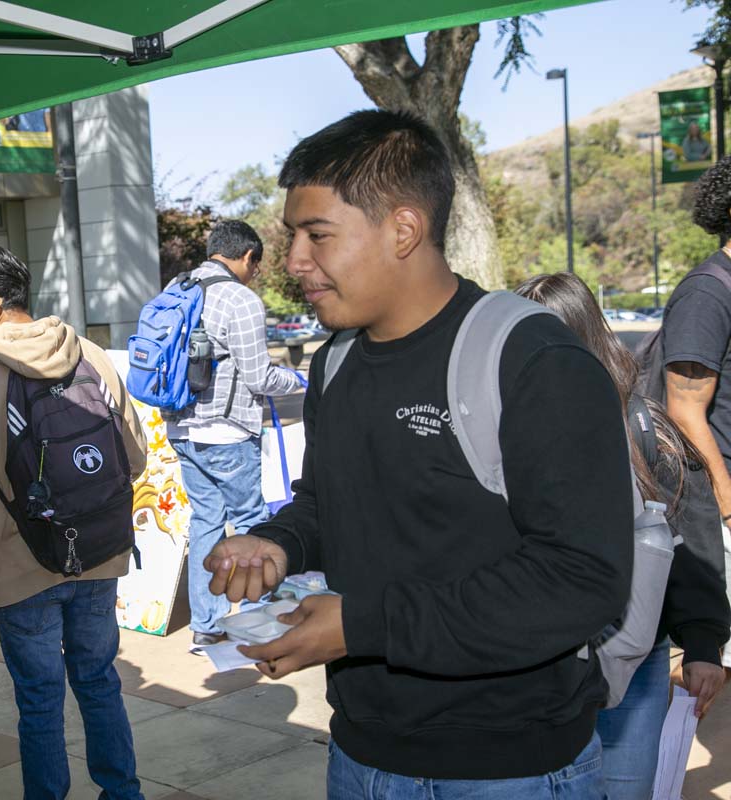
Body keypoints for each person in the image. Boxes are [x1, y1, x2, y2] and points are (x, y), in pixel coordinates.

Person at [205, 109, 633, 798]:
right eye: (292, 237)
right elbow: (326, 501)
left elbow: (581, 582)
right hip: (361, 756)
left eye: (317, 235)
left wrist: (362, 626)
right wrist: (278, 543)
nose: (294, 262)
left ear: (404, 229)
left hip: (510, 770)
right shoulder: (335, 363)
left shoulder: (532, 362)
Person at [0, 244, 148, 800]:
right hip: (98, 552)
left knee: (40, 701)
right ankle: (123, 793)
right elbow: (135, 458)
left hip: (21, 565)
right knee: (99, 683)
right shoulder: (90, 355)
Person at [516, 272, 729, 800]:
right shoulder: (497, 427)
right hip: (534, 662)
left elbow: (692, 543)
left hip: (632, 657)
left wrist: (703, 643)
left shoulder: (643, 427)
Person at [165, 220, 303, 649]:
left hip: (181, 429)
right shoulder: (240, 299)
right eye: (256, 266)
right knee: (252, 523)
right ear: (246, 257)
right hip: (226, 433)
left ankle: (206, 624)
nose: (255, 274)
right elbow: (259, 376)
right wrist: (299, 381)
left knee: (206, 521)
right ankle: (258, 618)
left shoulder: (178, 288)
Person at [661, 153, 731, 676]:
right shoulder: (709, 292)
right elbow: (684, 408)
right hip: (718, 507)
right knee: (716, 668)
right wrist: (729, 508)